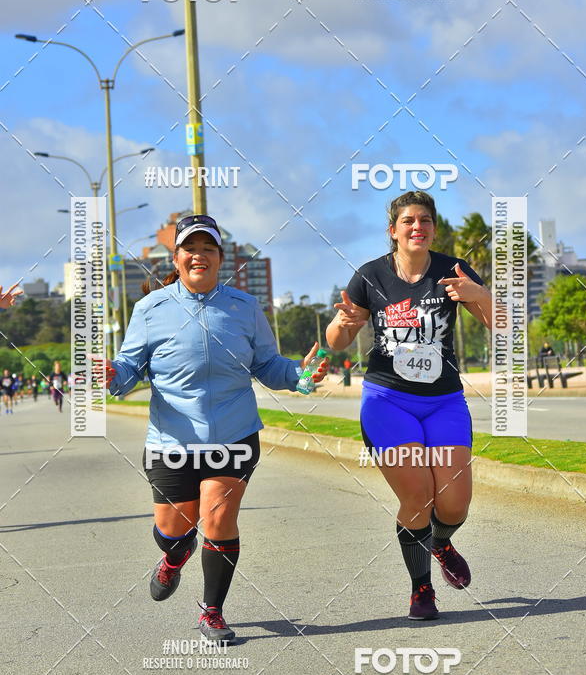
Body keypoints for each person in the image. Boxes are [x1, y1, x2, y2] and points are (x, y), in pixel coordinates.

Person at [98, 215, 328, 641]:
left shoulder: (245, 307)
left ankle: (213, 612)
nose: (198, 256)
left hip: (233, 433)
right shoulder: (151, 309)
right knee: (175, 531)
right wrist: (112, 373)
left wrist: (299, 375)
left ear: (221, 259)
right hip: (171, 440)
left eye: (208, 249)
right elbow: (130, 368)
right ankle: (173, 557)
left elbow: (267, 364)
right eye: (190, 248)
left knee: (219, 518)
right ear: (177, 258)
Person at [326, 191, 492, 620]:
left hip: (444, 401)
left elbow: (503, 324)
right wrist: (342, 324)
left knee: (454, 504)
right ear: (393, 231)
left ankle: (440, 542)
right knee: (417, 497)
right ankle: (422, 588)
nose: (417, 227)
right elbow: (337, 340)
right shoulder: (371, 276)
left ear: (433, 229)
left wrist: (479, 293)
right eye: (408, 221)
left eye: (425, 220)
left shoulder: (453, 271)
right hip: (388, 401)